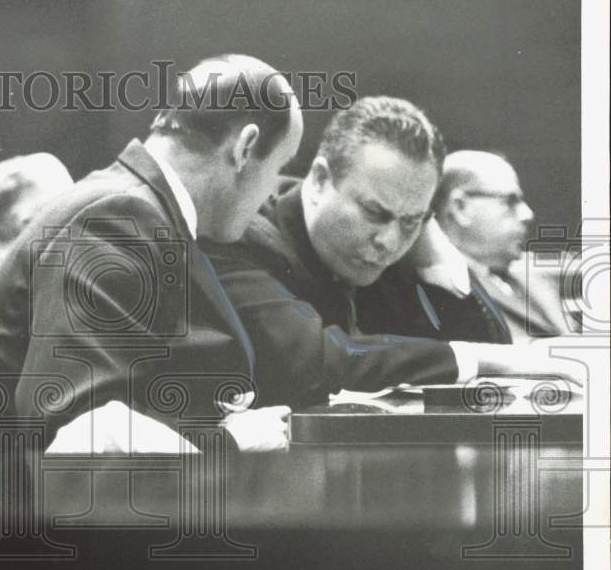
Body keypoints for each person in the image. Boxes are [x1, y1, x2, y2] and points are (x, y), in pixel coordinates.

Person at [0, 54, 304, 448]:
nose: (272, 191)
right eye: (280, 166)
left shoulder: (136, 209)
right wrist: (225, 441)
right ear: (245, 147)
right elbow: (82, 439)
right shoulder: (117, 217)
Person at [204, 96, 580, 409]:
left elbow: (490, 345)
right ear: (319, 180)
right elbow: (320, 359)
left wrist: (434, 253)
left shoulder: (397, 241)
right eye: (374, 212)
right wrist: (499, 359)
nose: (388, 241)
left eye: (411, 220)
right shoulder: (244, 232)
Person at [435, 150, 578, 341]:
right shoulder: (439, 290)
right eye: (510, 201)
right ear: (460, 207)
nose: (528, 214)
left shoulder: (532, 278)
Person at [0, 152, 74, 324]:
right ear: (25, 223)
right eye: (63, 212)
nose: (73, 226)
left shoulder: (8, 278)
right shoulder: (16, 288)